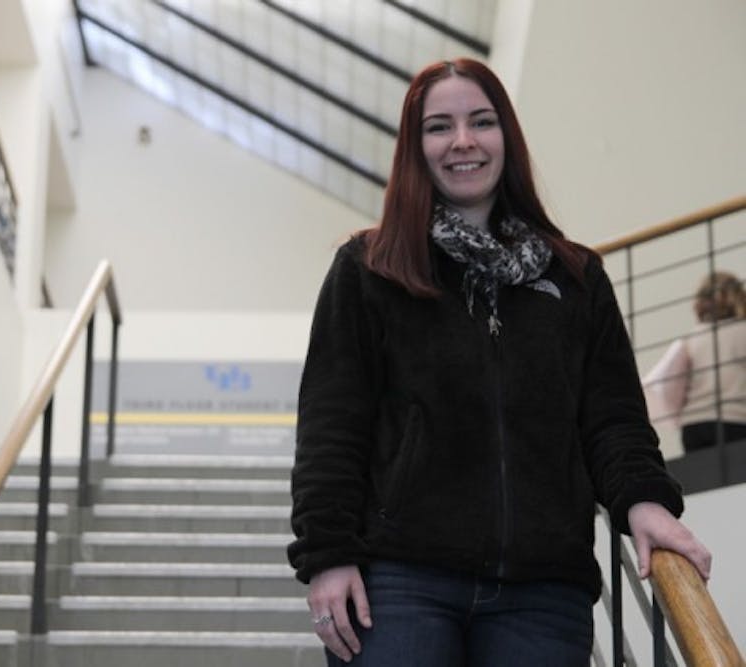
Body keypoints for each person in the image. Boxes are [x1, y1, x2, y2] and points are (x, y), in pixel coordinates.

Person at [287, 58, 712, 666]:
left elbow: (613, 418)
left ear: (506, 137)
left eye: (481, 122)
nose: (463, 141)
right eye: (440, 127)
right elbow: (332, 425)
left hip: (543, 592)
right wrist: (327, 554)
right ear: (415, 146)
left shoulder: (575, 277)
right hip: (399, 583)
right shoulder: (369, 269)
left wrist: (644, 500)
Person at [643, 271, 746, 452]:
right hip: (736, 419)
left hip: (694, 425)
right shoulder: (743, 331)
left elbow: (670, 382)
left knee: (704, 477)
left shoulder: (691, 339)